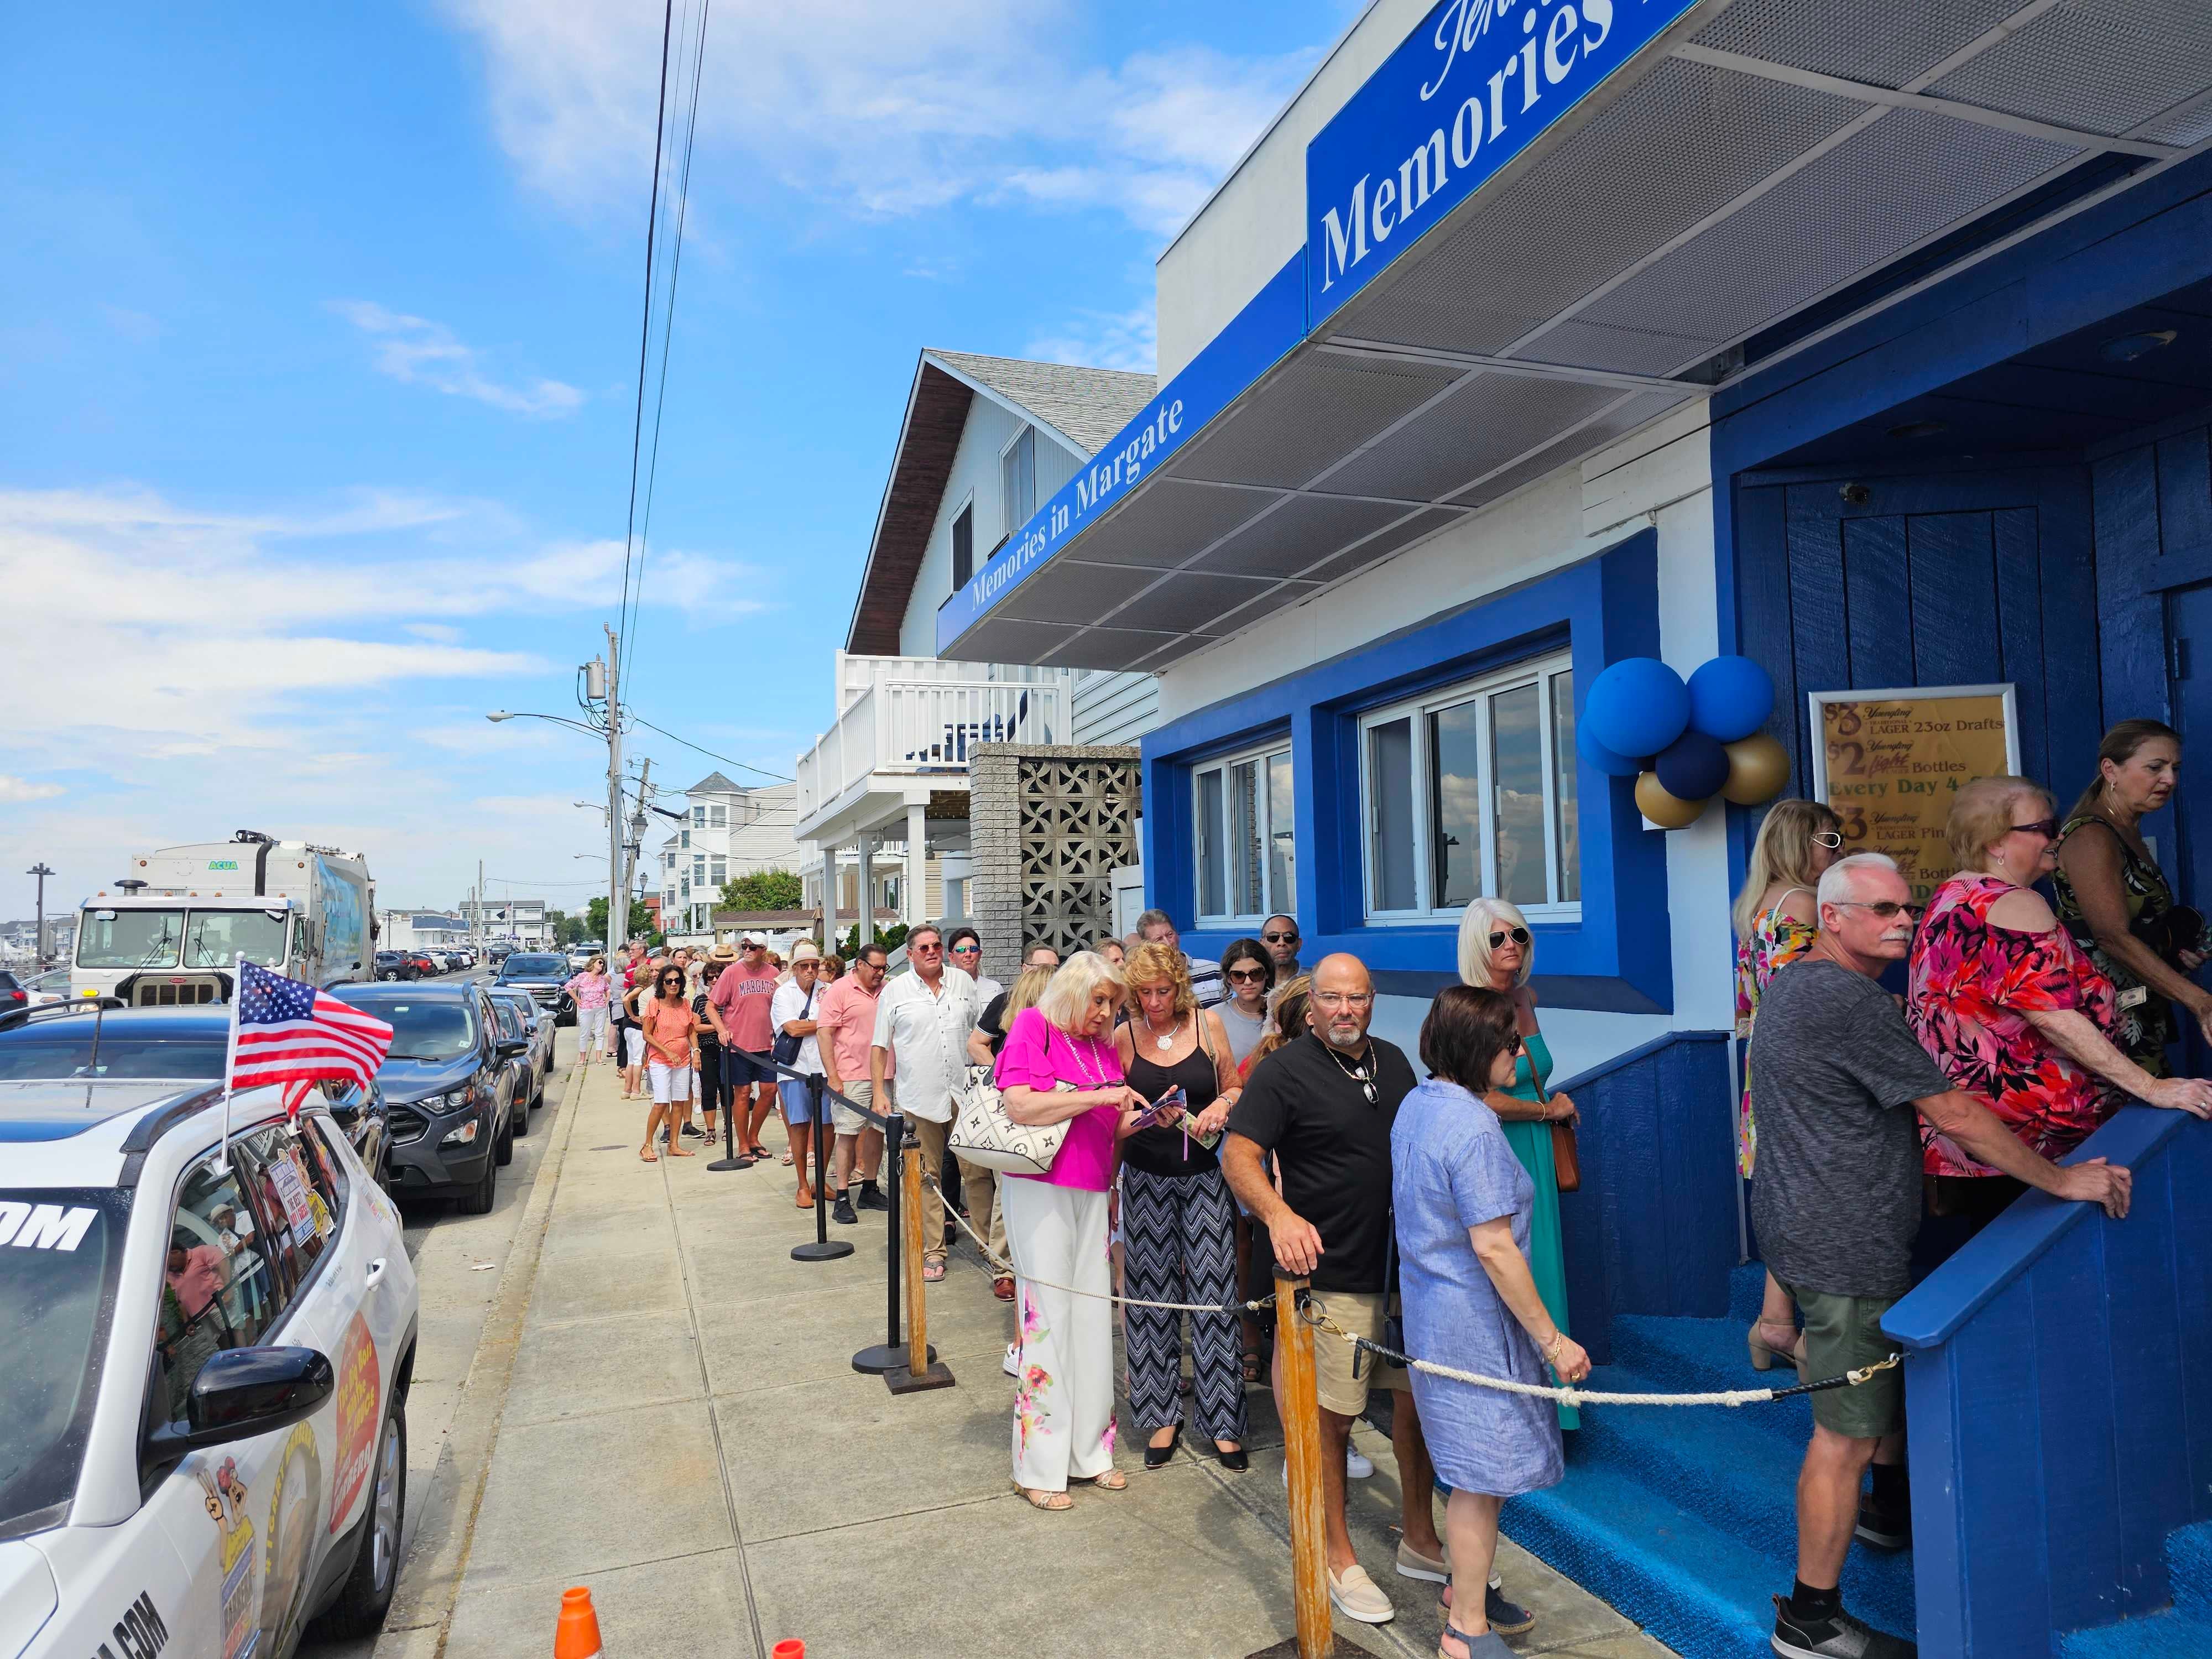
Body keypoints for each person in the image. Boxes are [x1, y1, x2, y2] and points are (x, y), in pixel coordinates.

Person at [1751, 852, 2132, 1659]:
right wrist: (2061, 1178)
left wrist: (1776, 1300)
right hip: (1844, 1246)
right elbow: (1955, 1111)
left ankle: (1886, 1513)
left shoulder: (1794, 986)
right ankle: (1810, 1621)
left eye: (1907, 906)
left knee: (1871, 1407)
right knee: (1843, 1438)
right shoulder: (1852, 1003)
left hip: (1808, 1231)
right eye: (1883, 910)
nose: (1903, 921)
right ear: (1833, 919)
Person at [1223, 954, 1473, 1629]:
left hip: (1404, 1272)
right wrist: (1278, 1215)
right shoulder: (1283, 1071)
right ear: (1312, 1007)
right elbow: (1237, 1154)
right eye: (1331, 999)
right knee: (1329, 1422)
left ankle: (1420, 1541)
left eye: (1356, 999)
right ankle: (1337, 1555)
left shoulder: (1392, 1061)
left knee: (1416, 1410)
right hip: (1328, 1278)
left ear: (1372, 1001)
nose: (1343, 1010)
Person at [1910, 778, 2212, 1244]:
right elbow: (2055, 1018)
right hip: (2045, 1146)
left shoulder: (1952, 897)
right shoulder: (2015, 904)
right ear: (1996, 843)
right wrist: (2152, 1087)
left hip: (1979, 1144)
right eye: (2042, 827)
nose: (2056, 837)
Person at [1395, 986, 1591, 1658]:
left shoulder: (1417, 1105)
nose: (1520, 1052)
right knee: (1479, 1481)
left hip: (1433, 1315)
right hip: (1475, 1325)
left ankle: (1465, 1588)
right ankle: (1465, 1632)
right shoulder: (1474, 1127)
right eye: (1510, 1042)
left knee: (1477, 1475)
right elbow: (1493, 1246)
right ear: (1480, 1049)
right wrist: (1553, 1339)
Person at [997, 951, 1146, 1510]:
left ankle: (1090, 1452)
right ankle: (1037, 1466)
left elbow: (1105, 1122)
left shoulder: (1100, 1045)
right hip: (1040, 1185)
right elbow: (1020, 1105)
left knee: (1088, 1318)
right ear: (1072, 992)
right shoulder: (1034, 1025)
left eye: (1113, 1004)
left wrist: (1138, 1117)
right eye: (1099, 1000)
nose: (1106, 1012)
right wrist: (1100, 1097)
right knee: (1048, 1320)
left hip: (1091, 1186)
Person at [1113, 942, 1248, 1472]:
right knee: (1150, 1299)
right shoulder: (1124, 1037)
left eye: (1162, 991)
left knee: (1215, 1295)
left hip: (1205, 1175)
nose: (1153, 1003)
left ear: (1180, 986)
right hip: (1145, 1176)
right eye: (1143, 993)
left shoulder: (1207, 1026)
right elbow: (1115, 1115)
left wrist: (1219, 1104)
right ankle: (1161, 1416)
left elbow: (1235, 1086)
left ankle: (1225, 1423)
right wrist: (1144, 1120)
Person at [1457, 899, 1580, 1431]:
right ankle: (1518, 1412)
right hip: (1500, 1151)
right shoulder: (1475, 1009)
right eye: (1497, 939)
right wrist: (1545, 1110)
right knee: (1514, 1269)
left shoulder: (1527, 997)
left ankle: (1557, 1410)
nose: (1510, 946)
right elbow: (1478, 1096)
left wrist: (1554, 1107)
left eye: (1519, 936)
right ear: (1475, 947)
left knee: (1545, 1268)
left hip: (1537, 1153)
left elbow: (1534, 1074)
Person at [1732, 800, 1844, 1371]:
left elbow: (1751, 1008)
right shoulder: (1800, 902)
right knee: (1810, 1197)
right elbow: (1811, 998)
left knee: (1793, 1194)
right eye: (1829, 837)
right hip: (1802, 1068)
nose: (1839, 848)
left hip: (1769, 1065)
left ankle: (1774, 1323)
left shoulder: (1758, 905)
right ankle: (1791, 1331)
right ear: (1801, 843)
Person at [2054, 719, 2212, 1073]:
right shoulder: (2093, 835)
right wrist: (2201, 1003)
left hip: (2137, 1005)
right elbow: (2111, 936)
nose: (2169, 779)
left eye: (2174, 768)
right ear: (2110, 769)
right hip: (2107, 1018)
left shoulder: (2126, 831)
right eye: (2155, 767)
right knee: (2127, 1119)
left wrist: (2174, 945)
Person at [869, 922, 980, 1282]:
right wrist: (877, 1093)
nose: (932, 951)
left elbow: (982, 1035)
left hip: (966, 1093)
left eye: (936, 946)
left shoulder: (964, 983)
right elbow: (879, 1046)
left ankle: (990, 1248)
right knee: (925, 1177)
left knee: (978, 1174)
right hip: (919, 1097)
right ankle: (934, 1251)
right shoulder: (895, 991)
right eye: (924, 948)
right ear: (911, 954)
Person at [966, 960, 1056, 1299]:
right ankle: (1004, 1268)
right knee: (1009, 1188)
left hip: (1052, 1114)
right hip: (1014, 1113)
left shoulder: (1064, 1024)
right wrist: (1003, 1076)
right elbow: (977, 1043)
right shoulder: (1008, 1009)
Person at [817, 942, 890, 1225]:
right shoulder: (839, 990)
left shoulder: (888, 989)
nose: (881, 973)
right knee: (847, 1133)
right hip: (852, 1074)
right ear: (859, 964)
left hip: (885, 1074)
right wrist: (834, 1076)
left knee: (878, 1132)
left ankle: (870, 1187)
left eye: (884, 968)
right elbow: (825, 1034)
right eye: (876, 967)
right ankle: (844, 1194)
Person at [709, 933, 781, 1161]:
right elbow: (712, 1006)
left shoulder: (774, 974)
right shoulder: (731, 972)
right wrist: (721, 1029)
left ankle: (753, 1137)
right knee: (742, 1094)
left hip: (767, 1045)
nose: (747, 949)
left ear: (763, 950)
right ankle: (742, 1145)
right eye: (745, 946)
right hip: (738, 1046)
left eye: (753, 947)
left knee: (770, 1090)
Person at [772, 944, 830, 1208]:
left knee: (828, 1125)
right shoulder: (784, 993)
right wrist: (825, 1024)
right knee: (799, 1126)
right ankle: (802, 1185)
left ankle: (820, 1180)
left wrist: (816, 1026)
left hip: (826, 1067)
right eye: (804, 966)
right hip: (795, 1068)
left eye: (814, 966)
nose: (810, 971)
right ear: (794, 968)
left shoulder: (827, 991)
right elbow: (792, 1029)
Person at [639, 963, 701, 1162]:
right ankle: (647, 1145)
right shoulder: (655, 1004)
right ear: (662, 984)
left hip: (683, 1060)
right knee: (661, 1102)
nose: (673, 984)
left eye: (677, 980)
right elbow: (647, 1034)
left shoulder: (685, 1004)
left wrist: (696, 1051)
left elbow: (691, 1030)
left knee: (679, 1103)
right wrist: (667, 1051)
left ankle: (674, 1145)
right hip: (660, 1060)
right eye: (669, 981)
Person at [691, 947, 743, 1158]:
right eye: (710, 977)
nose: (713, 980)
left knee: (727, 1089)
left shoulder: (729, 998)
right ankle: (711, 1130)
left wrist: (723, 1028)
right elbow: (695, 1027)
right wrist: (719, 1026)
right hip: (707, 1047)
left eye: (717, 977)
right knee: (709, 1089)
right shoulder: (701, 1000)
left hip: (728, 1048)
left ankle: (727, 1127)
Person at [1136, 908, 1223, 1008]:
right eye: (1159, 939)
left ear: (1177, 935)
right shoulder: (1147, 981)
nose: (1168, 943)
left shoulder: (1214, 970)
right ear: (1147, 946)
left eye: (1170, 935)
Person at [1215, 936, 1273, 1068]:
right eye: (1238, 975)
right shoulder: (1213, 1017)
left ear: (1267, 973)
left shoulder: (1282, 1013)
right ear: (1228, 979)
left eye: (1256, 973)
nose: (1248, 982)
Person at [565, 954, 614, 1066]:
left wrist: (607, 997)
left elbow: (608, 989)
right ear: (593, 963)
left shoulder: (602, 979)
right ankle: (582, 1058)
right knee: (585, 1033)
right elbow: (568, 987)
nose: (602, 965)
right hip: (586, 1008)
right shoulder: (583, 976)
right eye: (600, 962)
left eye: (603, 963)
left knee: (600, 1033)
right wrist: (577, 999)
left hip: (600, 1008)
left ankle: (599, 1058)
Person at [948, 925, 1001, 1004]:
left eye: (973, 949)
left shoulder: (994, 989)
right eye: (962, 950)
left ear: (979, 955)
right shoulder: (945, 990)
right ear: (952, 957)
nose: (968, 954)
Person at [1261, 913, 1302, 984]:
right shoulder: (1254, 982)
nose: (1281, 943)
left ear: (1299, 944)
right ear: (1262, 944)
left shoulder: (1313, 980)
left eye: (1289, 937)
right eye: (1273, 937)